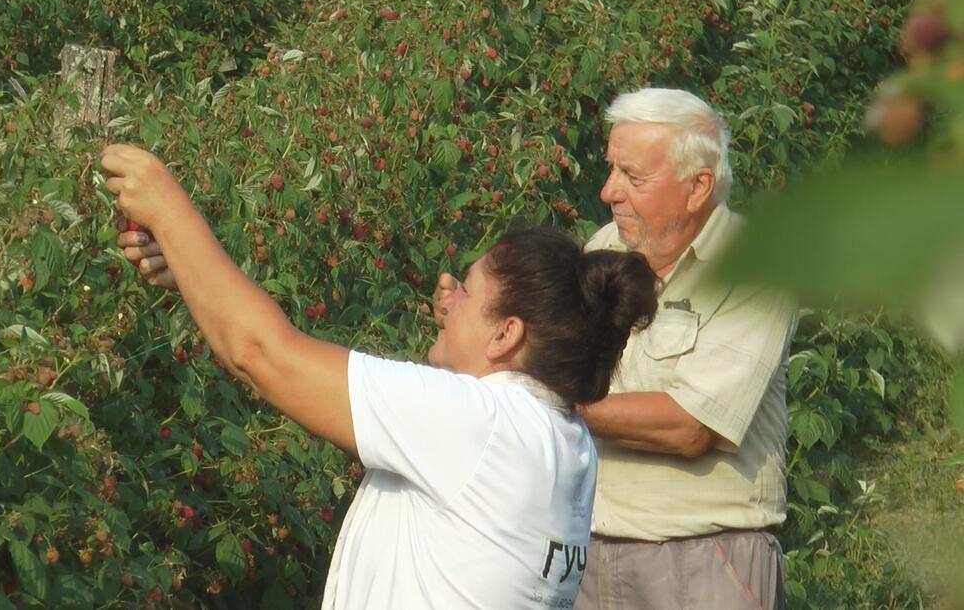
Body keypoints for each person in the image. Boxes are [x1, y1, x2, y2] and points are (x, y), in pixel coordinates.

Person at [102, 143, 658, 609]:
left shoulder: (480, 427)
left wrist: (169, 209)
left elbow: (261, 352)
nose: (449, 298)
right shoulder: (560, 439)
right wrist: (193, 272)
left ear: (505, 335)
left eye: (467, 289)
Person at [435, 88, 798, 609]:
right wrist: (468, 324)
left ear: (698, 187)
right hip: (584, 555)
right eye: (612, 170)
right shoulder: (603, 248)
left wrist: (546, 397)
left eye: (633, 176)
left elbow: (690, 426)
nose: (609, 191)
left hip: (702, 560)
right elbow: (527, 350)